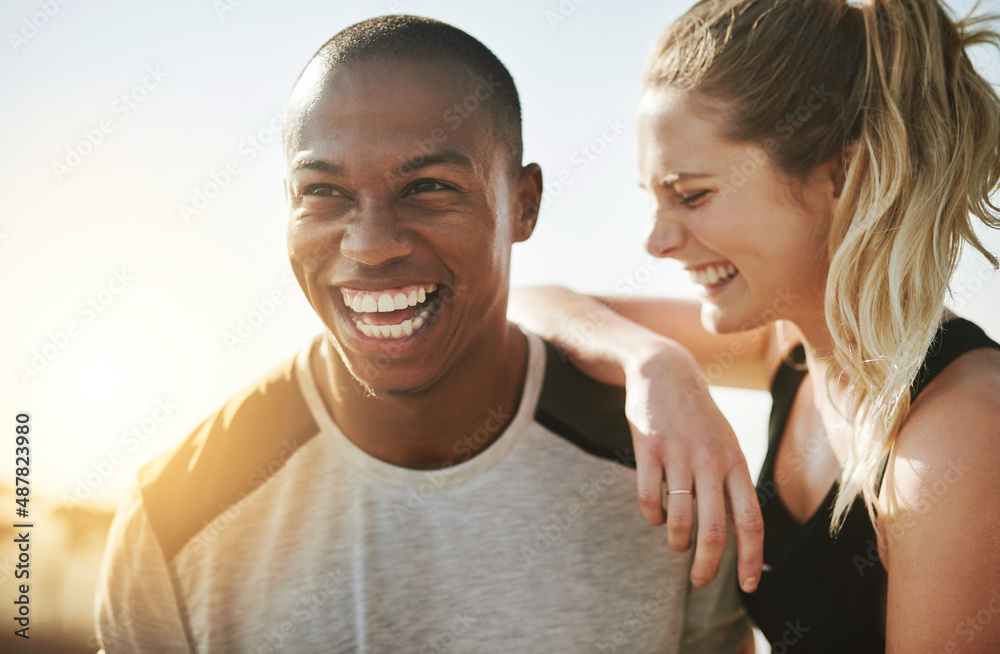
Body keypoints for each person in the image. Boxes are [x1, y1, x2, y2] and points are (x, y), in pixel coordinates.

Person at [93, 15, 754, 653]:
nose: (371, 244)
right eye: (324, 193)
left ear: (523, 204)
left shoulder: (673, 479)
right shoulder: (172, 513)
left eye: (428, 187)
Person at [512, 0, 1000, 651]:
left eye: (691, 195)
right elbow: (526, 304)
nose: (656, 242)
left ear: (844, 175)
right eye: (652, 199)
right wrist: (656, 367)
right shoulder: (792, 349)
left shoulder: (960, 436)